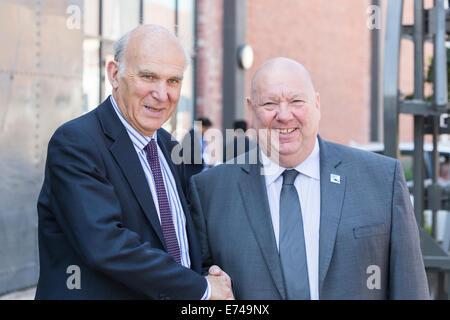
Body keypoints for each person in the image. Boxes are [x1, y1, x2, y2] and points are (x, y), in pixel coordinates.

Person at [189, 57, 430, 299]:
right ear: (251, 108)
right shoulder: (210, 191)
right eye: (270, 103)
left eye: (296, 101)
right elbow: (202, 287)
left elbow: (409, 287)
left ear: (316, 103)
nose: (284, 115)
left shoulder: (380, 180)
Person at [35, 24, 233, 300]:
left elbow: (184, 238)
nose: (162, 94)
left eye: (173, 81)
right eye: (149, 77)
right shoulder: (76, 143)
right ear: (114, 74)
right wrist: (201, 289)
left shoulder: (169, 146)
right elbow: (105, 245)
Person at [182, 117, 212, 182]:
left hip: (198, 171)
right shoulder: (190, 136)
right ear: (202, 127)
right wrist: (204, 160)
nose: (207, 131)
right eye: (207, 129)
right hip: (192, 172)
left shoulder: (199, 136)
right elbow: (188, 155)